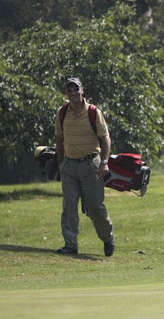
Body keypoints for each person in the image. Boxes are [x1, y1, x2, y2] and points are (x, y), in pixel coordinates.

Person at [54, 77, 116, 257]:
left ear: (82, 91)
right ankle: (70, 245)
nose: (73, 93)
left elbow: (105, 139)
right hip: (69, 165)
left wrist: (104, 162)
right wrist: (61, 164)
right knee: (69, 206)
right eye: (69, 90)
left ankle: (107, 238)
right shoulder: (62, 113)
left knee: (95, 206)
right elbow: (59, 139)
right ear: (66, 93)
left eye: (76, 89)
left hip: (91, 164)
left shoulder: (94, 112)